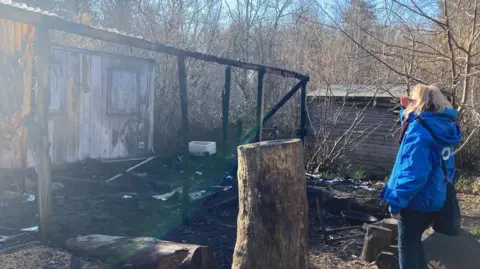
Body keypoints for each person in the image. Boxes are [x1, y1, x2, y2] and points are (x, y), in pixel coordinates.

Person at [380, 84, 462, 269]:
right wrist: (404, 110)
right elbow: (418, 126)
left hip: (417, 200)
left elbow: (413, 174)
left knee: (407, 248)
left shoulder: (419, 131)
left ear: (418, 102)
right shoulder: (443, 125)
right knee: (415, 243)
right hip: (436, 196)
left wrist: (396, 201)